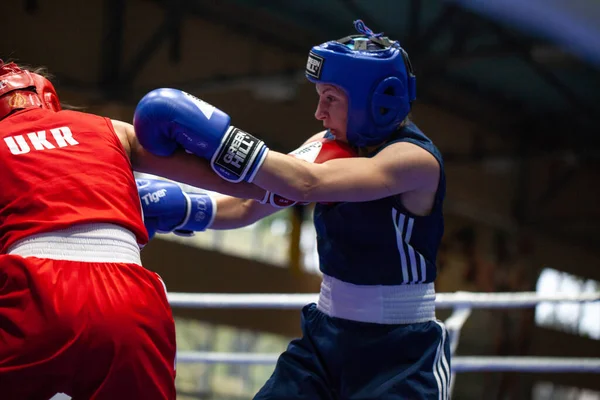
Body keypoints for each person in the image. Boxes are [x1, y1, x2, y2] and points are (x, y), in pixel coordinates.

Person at [133, 19, 450, 399]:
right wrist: (185, 207)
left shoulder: (414, 161)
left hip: (401, 352)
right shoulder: (327, 144)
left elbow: (306, 183)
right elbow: (253, 200)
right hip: (325, 338)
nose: (319, 112)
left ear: (377, 98)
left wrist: (223, 141)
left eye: (330, 97)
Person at [0, 60, 265, 400]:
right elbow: (248, 189)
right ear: (50, 99)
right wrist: (299, 170)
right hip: (128, 298)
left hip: (35, 292)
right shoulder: (108, 129)